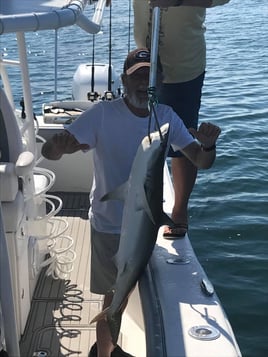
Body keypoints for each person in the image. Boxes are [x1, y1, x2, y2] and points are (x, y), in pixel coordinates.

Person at [41, 48, 221, 357]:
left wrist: (208, 145)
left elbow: (200, 161)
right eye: (136, 75)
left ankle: (107, 344)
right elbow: (53, 153)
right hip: (109, 223)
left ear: (159, 81)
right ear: (124, 80)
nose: (142, 81)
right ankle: (106, 350)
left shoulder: (165, 117)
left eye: (149, 76)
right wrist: (56, 147)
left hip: (146, 225)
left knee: (121, 294)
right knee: (113, 297)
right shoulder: (102, 115)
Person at [133, 0, 230, 237]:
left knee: (182, 140)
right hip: (143, 62)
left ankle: (179, 211)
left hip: (183, 66)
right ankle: (136, 201)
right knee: (136, 129)